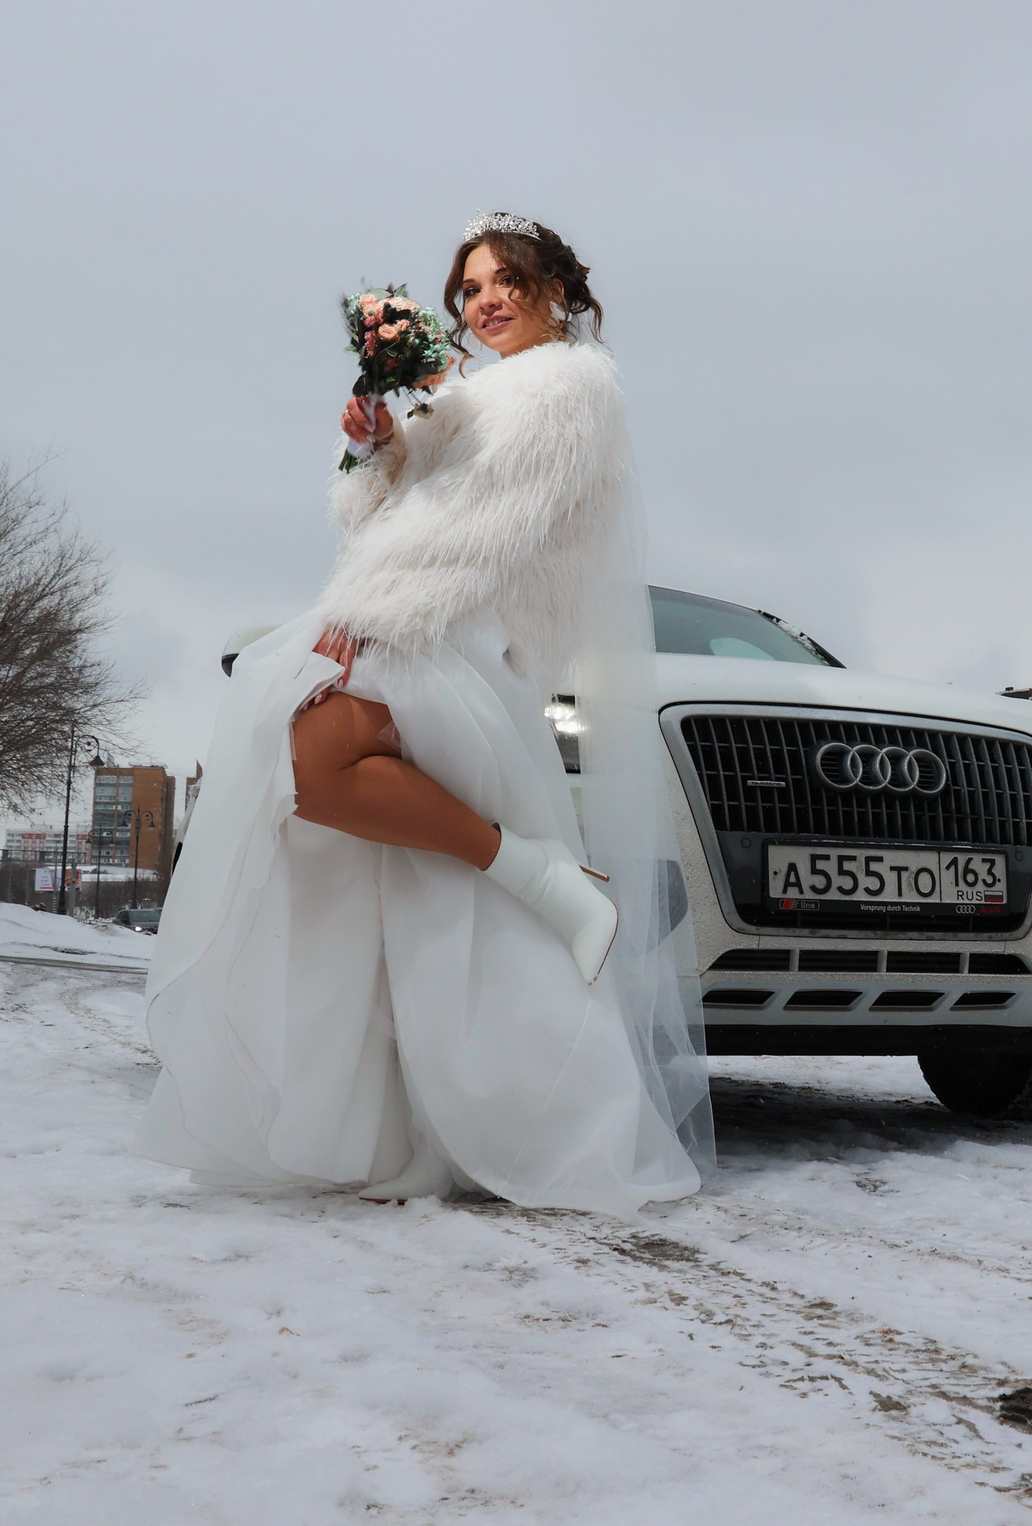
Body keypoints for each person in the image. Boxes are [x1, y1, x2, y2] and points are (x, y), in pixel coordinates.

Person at [137, 213, 711, 1218]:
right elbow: (389, 512)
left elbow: (487, 519)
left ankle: (547, 883)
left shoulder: (570, 385)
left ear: (558, 291)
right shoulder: (481, 389)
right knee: (368, 853)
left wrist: (372, 611)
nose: (484, 301)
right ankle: (528, 912)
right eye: (471, 288)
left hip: (463, 629)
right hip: (421, 615)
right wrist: (377, 447)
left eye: (506, 282)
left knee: (315, 762)